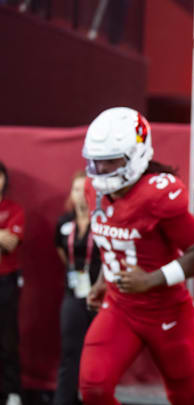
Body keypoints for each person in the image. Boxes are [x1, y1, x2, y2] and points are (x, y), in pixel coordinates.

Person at [77, 107, 194, 405]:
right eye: (96, 162)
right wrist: (105, 279)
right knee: (94, 388)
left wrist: (152, 279)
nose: (100, 171)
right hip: (120, 306)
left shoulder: (156, 195)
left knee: (188, 398)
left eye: (110, 162)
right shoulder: (93, 189)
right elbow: (111, 239)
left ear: (136, 155)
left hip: (166, 311)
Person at [53, 171, 101, 405]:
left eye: (84, 189)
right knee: (70, 351)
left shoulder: (102, 221)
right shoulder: (64, 223)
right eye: (75, 190)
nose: (80, 195)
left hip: (99, 295)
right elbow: (62, 252)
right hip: (73, 294)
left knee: (98, 354)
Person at [0, 161, 23, 405]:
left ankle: (13, 391)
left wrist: (4, 239)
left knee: (7, 338)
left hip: (6, 281)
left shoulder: (14, 209)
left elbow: (11, 243)